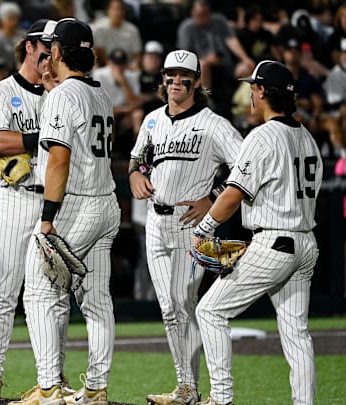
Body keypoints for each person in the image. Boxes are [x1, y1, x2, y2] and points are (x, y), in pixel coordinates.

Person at [192, 60, 323, 405]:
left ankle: (220, 398)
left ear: (263, 92)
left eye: (253, 87)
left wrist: (203, 230)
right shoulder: (308, 137)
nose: (250, 92)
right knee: (296, 332)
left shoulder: (263, 136)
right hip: (306, 242)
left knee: (210, 311)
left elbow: (233, 195)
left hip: (275, 241)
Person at [12, 18, 121, 405]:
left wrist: (48, 217)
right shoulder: (101, 94)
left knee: (41, 294)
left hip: (75, 205)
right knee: (96, 300)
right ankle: (95, 387)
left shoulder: (63, 96)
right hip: (107, 203)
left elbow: (58, 160)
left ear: (57, 51)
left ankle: (49, 388)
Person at [128, 50, 243, 405]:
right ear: (162, 79)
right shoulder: (151, 121)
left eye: (184, 76)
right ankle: (186, 387)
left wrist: (213, 198)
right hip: (155, 223)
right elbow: (137, 158)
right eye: (171, 75)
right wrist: (134, 174)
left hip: (190, 226)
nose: (176, 82)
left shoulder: (214, 124)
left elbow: (247, 168)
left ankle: (194, 387)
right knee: (170, 307)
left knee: (181, 300)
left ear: (197, 81)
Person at [0, 18, 74, 402]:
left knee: (55, 291)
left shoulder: (64, 93)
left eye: (55, 46)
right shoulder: (1, 91)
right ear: (29, 46)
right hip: (16, 198)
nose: (50, 53)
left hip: (54, 200)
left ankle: (54, 375)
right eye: (44, 45)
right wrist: (41, 139)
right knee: (5, 290)